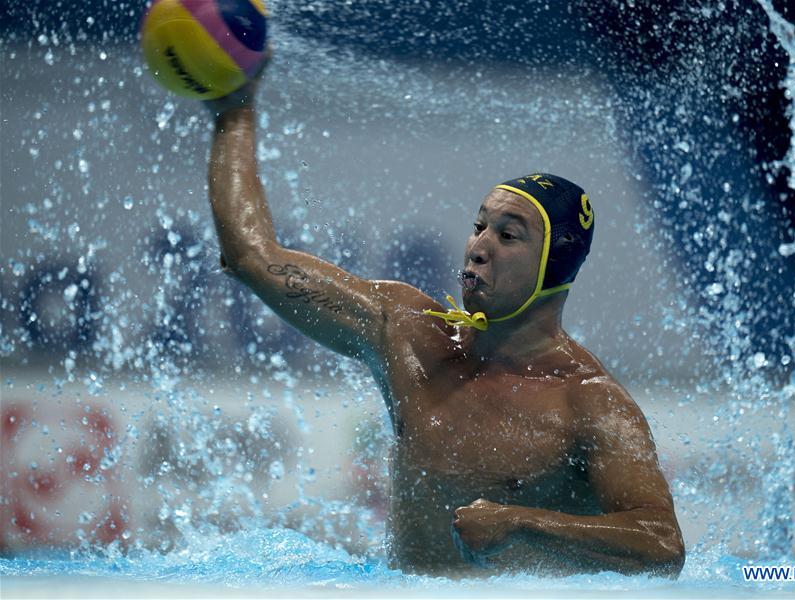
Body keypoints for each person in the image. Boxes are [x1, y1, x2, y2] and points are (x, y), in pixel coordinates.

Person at [203, 56, 685, 578]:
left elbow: (662, 545)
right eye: (479, 226)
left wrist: (523, 522)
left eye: (508, 235)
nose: (478, 247)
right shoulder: (407, 331)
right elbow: (252, 257)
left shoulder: (588, 402)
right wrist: (235, 111)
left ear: (555, 265)